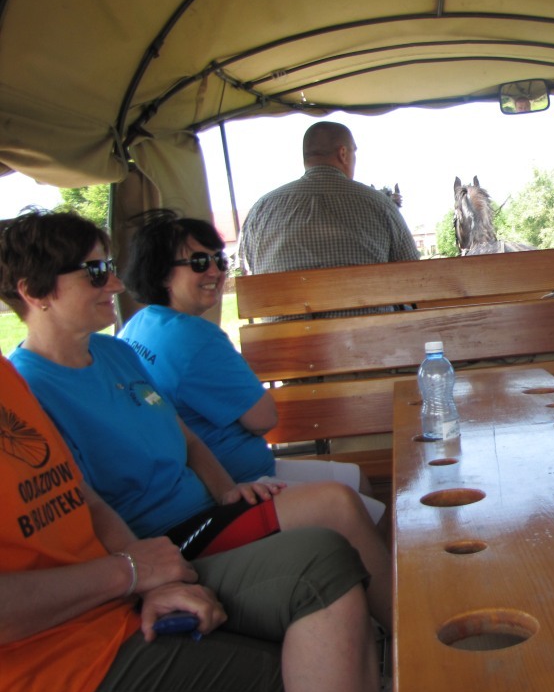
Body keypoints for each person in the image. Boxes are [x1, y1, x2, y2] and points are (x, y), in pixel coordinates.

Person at [0, 209, 393, 634]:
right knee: (337, 504)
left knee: (344, 500)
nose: (115, 284)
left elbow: (184, 437)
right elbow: (86, 506)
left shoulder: (114, 351)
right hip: (166, 536)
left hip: (207, 509)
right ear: (34, 291)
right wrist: (145, 574)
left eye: (110, 268)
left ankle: (393, 632)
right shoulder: (30, 390)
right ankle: (408, 638)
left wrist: (227, 489)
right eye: (95, 272)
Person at [0, 348, 382, 692]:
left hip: (112, 609)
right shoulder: (36, 376)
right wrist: (129, 572)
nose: (113, 294)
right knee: (324, 682)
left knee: (321, 560)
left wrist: (152, 580)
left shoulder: (11, 376)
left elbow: (86, 500)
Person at [116, 210, 386, 526]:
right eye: (200, 262)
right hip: (231, 485)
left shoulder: (138, 325)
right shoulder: (195, 338)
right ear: (162, 273)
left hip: (221, 474)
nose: (216, 271)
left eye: (220, 260)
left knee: (356, 478)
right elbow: (263, 419)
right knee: (363, 507)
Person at [238, 121, 419, 300]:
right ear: (343, 154)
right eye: (354, 152)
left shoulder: (261, 210)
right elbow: (414, 274)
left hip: (284, 319)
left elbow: (253, 267)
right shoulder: (380, 204)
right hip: (367, 320)